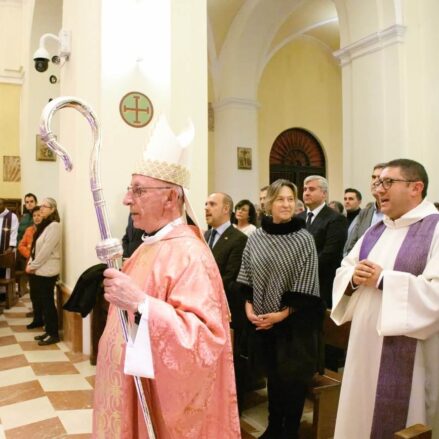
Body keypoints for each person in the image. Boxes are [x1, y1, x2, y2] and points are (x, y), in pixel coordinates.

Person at [93, 116, 240, 438]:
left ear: (172, 198)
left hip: (165, 408)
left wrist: (141, 304)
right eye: (130, 190)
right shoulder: (151, 246)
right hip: (131, 389)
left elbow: (206, 339)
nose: (127, 199)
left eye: (138, 190)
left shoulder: (191, 254)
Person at [331, 159, 439, 439]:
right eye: (378, 183)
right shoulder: (375, 230)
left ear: (416, 187)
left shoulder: (435, 229)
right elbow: (345, 267)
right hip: (363, 346)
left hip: (411, 354)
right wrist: (353, 278)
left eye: (388, 182)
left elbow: (436, 294)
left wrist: (383, 280)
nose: (378, 190)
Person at [237, 179, 324, 439]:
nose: (286, 204)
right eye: (280, 199)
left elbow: (307, 286)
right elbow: (246, 276)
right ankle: (274, 428)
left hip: (295, 327)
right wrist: (250, 308)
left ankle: (290, 431)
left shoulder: (303, 239)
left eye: (290, 199)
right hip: (264, 322)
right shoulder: (256, 238)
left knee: (293, 383)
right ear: (268, 203)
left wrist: (281, 314)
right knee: (273, 380)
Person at [204, 192, 248, 413]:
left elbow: (231, 278)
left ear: (226, 209)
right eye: (205, 204)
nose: (206, 208)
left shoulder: (239, 239)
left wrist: (198, 287)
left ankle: (230, 408)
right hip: (204, 311)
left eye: (212, 204)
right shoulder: (204, 236)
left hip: (227, 310)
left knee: (229, 364)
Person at [298, 176, 348, 308]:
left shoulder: (336, 219)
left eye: (312, 189)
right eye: (305, 189)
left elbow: (329, 254)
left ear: (324, 194)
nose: (306, 192)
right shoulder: (298, 218)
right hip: (298, 285)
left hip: (323, 283)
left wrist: (301, 269)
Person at [26, 198, 61, 346]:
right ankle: (48, 331)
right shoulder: (45, 225)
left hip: (47, 270)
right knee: (44, 301)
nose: (41, 209)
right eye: (41, 206)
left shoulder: (54, 226)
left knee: (48, 303)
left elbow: (46, 250)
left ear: (53, 209)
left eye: (45, 206)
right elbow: (36, 248)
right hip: (41, 269)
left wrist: (33, 266)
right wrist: (33, 264)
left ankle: (54, 334)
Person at [343, 163, 387, 255]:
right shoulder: (365, 213)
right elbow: (351, 246)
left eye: (379, 178)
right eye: (373, 177)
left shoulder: (397, 212)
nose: (375, 182)